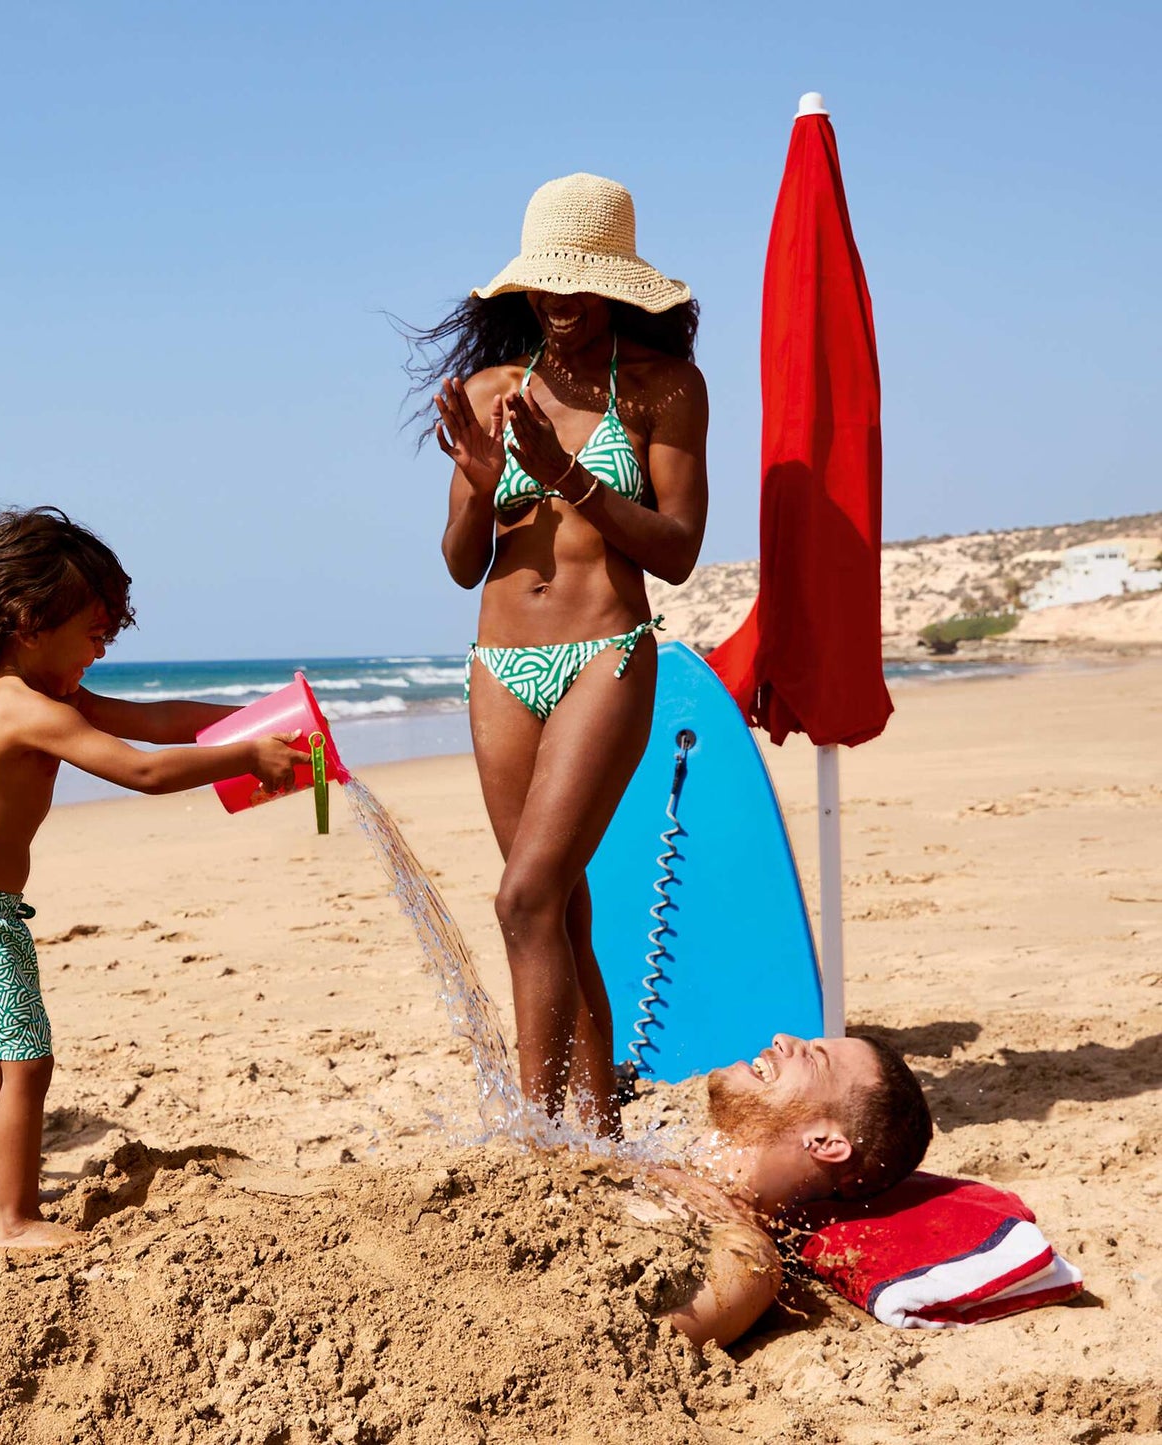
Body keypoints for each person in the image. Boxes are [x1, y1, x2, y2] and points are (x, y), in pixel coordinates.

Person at [0, 505, 304, 1249]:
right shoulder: (22, 709)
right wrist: (247, 760)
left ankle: (1, 1203)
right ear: (29, 621)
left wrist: (258, 721)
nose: (100, 649)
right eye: (91, 632)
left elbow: (155, 722)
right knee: (26, 1062)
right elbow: (143, 769)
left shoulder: (35, 698)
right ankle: (16, 1219)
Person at [414, 173, 708, 1137]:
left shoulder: (663, 388)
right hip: (499, 664)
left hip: (604, 654)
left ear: (620, 284)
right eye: (545, 285)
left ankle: (532, 1137)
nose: (560, 302)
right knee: (557, 914)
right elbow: (464, 568)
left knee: (524, 895)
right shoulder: (492, 392)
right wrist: (476, 486)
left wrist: (566, 477)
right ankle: (596, 1127)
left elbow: (675, 551)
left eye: (579, 284)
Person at [633, 1031, 934, 1347]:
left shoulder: (743, 1258)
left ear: (825, 1143)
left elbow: (625, 1345)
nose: (782, 1039)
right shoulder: (651, 1161)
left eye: (815, 1057)